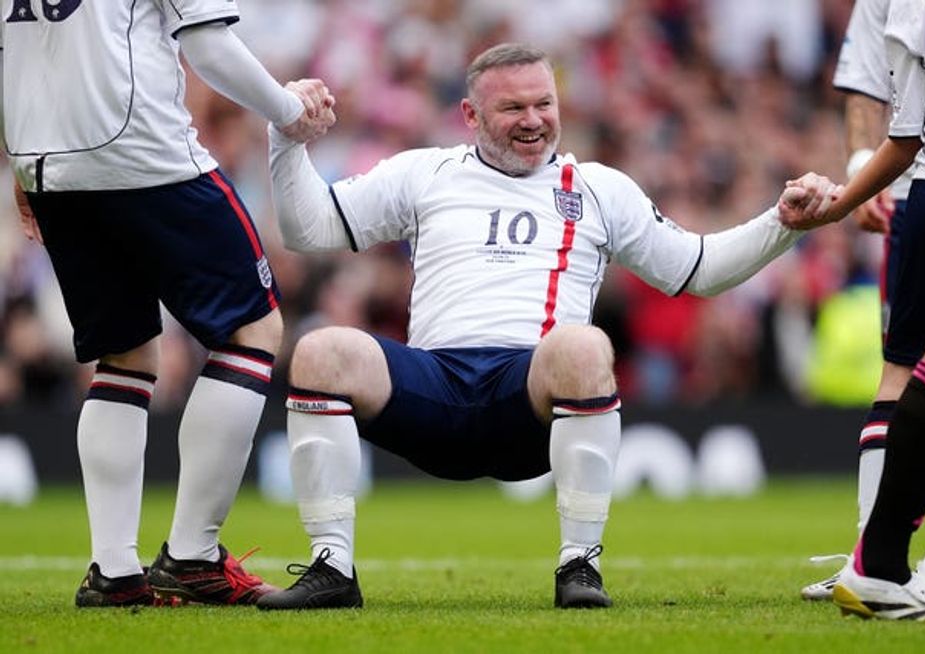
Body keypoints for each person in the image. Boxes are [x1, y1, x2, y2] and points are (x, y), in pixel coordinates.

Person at [255, 42, 838, 610]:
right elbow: (309, 230)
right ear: (471, 116)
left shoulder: (599, 188)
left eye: (544, 104)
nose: (533, 120)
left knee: (582, 346)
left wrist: (780, 224)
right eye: (513, 107)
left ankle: (580, 565)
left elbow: (698, 270)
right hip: (435, 390)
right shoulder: (426, 172)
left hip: (530, 401)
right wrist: (286, 137)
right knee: (321, 349)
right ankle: (332, 567)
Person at [0, 1, 332, 607]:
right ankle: (193, 555)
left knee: (125, 353)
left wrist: (20, 162)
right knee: (252, 328)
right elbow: (208, 44)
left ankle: (114, 572)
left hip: (48, 165)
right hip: (141, 152)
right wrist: (289, 111)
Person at [785, 0, 925, 620]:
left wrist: (842, 201)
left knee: (918, 366)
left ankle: (877, 559)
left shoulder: (902, 14)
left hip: (924, 192)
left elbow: (900, 134)